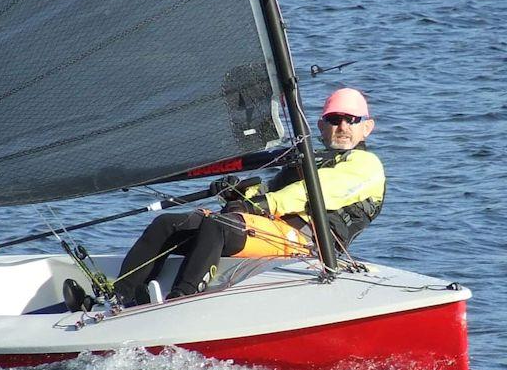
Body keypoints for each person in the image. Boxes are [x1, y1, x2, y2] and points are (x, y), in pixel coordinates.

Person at [113, 88, 386, 305]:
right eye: (333, 119)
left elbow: (315, 191)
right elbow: (272, 191)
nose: (342, 126)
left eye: (351, 120)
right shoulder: (310, 160)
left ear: (367, 127)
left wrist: (258, 204)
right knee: (167, 224)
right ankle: (119, 296)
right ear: (320, 125)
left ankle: (181, 298)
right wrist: (241, 192)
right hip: (271, 229)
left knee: (220, 225)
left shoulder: (366, 165)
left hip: (306, 244)